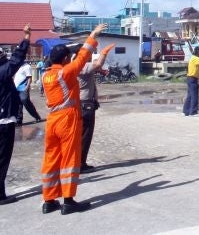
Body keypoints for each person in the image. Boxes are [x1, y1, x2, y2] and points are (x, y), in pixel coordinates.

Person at [40, 23, 107, 215]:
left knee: (51, 159)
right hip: (67, 119)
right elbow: (83, 57)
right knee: (70, 158)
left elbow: (78, 59)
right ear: (66, 58)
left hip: (52, 119)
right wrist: (93, 35)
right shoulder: (65, 72)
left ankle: (49, 200)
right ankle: (68, 201)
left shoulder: (46, 75)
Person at [0, 24, 32, 206]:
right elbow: (16, 60)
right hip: (3, 121)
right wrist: (26, 38)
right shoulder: (3, 72)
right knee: (2, 158)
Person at [78, 43, 115, 173]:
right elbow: (98, 64)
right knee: (85, 135)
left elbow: (96, 66)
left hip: (80, 103)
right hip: (85, 104)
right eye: (87, 53)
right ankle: (80, 164)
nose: (89, 55)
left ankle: (76, 162)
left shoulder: (72, 66)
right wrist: (104, 53)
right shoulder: (81, 65)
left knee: (79, 135)